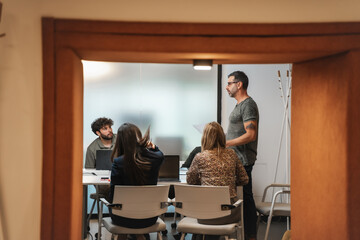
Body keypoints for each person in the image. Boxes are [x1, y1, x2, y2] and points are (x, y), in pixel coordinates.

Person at [187, 122, 249, 226]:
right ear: (222, 137)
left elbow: (191, 181)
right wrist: (230, 182)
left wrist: (204, 181)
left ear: (205, 138)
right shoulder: (232, 154)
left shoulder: (200, 157)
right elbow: (244, 179)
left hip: (205, 214)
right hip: (229, 213)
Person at [109, 123, 164, 239]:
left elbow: (113, 195)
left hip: (123, 217)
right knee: (133, 213)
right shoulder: (156, 158)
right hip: (149, 216)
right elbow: (160, 154)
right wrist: (154, 147)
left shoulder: (119, 162)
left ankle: (126, 235)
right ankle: (139, 235)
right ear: (138, 138)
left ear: (120, 141)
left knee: (121, 210)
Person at [225, 71, 259, 240]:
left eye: (229, 83)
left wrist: (227, 143)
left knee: (246, 199)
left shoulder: (248, 105)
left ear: (239, 84)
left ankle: (251, 236)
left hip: (243, 161)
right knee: (243, 199)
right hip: (235, 160)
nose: (226, 87)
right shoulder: (239, 105)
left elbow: (251, 135)